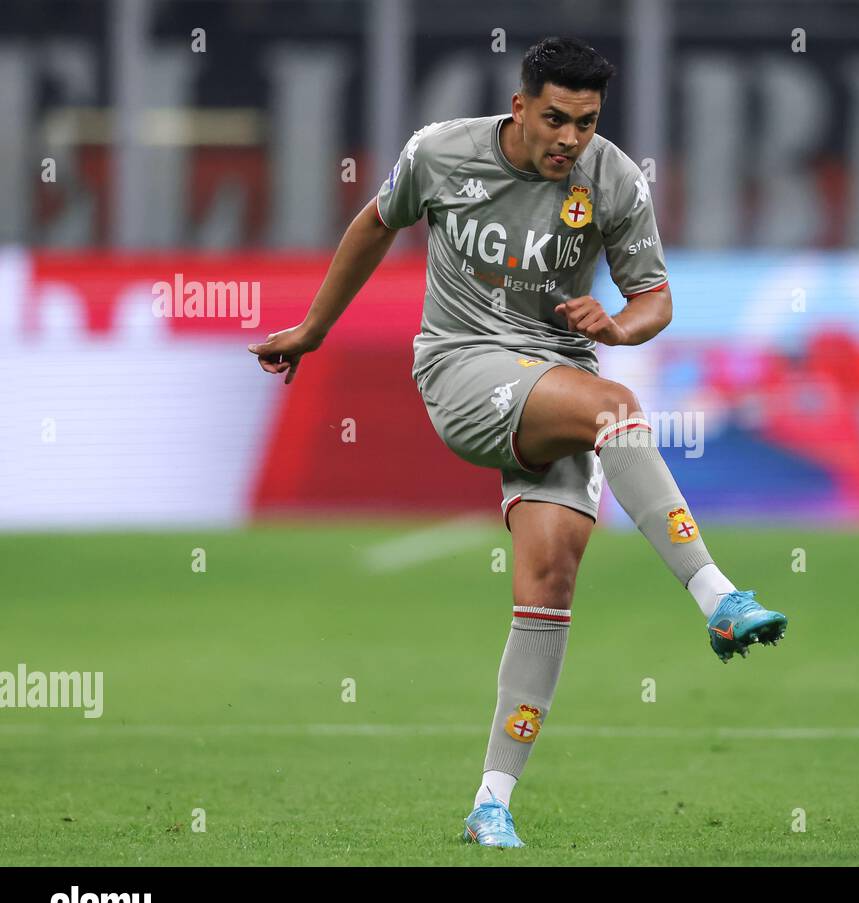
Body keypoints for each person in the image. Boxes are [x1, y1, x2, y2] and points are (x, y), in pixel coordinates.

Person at [248, 36, 788, 848]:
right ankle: (716, 597)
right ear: (520, 106)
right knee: (616, 406)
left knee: (549, 581)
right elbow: (372, 223)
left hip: (554, 379)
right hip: (461, 370)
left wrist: (619, 323)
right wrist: (314, 329)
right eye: (557, 120)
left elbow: (655, 297)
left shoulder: (612, 179)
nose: (571, 140)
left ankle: (490, 801)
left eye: (587, 122)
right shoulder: (440, 153)